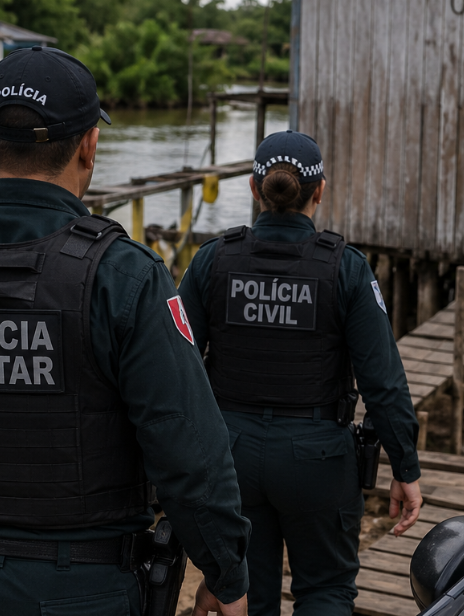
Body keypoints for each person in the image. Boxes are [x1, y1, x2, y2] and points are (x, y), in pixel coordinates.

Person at [0, 47, 249, 616]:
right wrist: (226, 573)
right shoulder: (124, 277)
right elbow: (188, 452)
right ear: (89, 146)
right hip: (86, 590)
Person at [178, 130, 423, 616]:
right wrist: (405, 466)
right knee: (326, 590)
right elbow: (382, 380)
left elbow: (175, 366)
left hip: (231, 456)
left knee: (247, 591)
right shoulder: (345, 268)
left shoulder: (212, 260)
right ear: (320, 191)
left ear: (254, 188)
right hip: (319, 458)